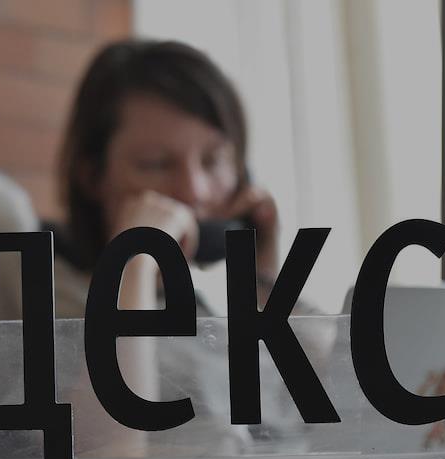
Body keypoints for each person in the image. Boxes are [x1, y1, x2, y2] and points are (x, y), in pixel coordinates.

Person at [52, 39, 281, 317]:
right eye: (156, 164)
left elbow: (316, 348)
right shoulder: (48, 298)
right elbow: (114, 349)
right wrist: (133, 259)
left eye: (212, 161)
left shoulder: (203, 305)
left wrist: (264, 278)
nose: (195, 191)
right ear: (92, 177)